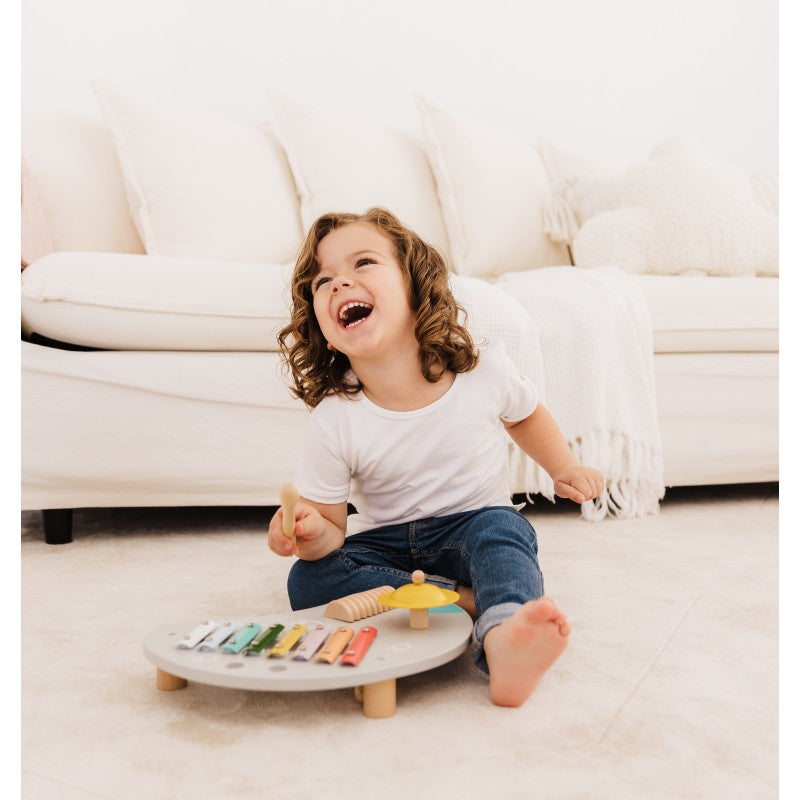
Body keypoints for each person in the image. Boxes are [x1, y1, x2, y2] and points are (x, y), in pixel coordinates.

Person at [267, 207, 604, 707]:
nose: (339, 284)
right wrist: (308, 533)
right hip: (387, 547)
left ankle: (505, 637)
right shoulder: (335, 417)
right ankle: (466, 601)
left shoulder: (481, 371)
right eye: (322, 282)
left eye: (362, 263)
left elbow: (525, 415)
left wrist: (565, 467)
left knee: (505, 532)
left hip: (472, 528)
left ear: (414, 283)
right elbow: (330, 530)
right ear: (321, 326)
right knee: (310, 578)